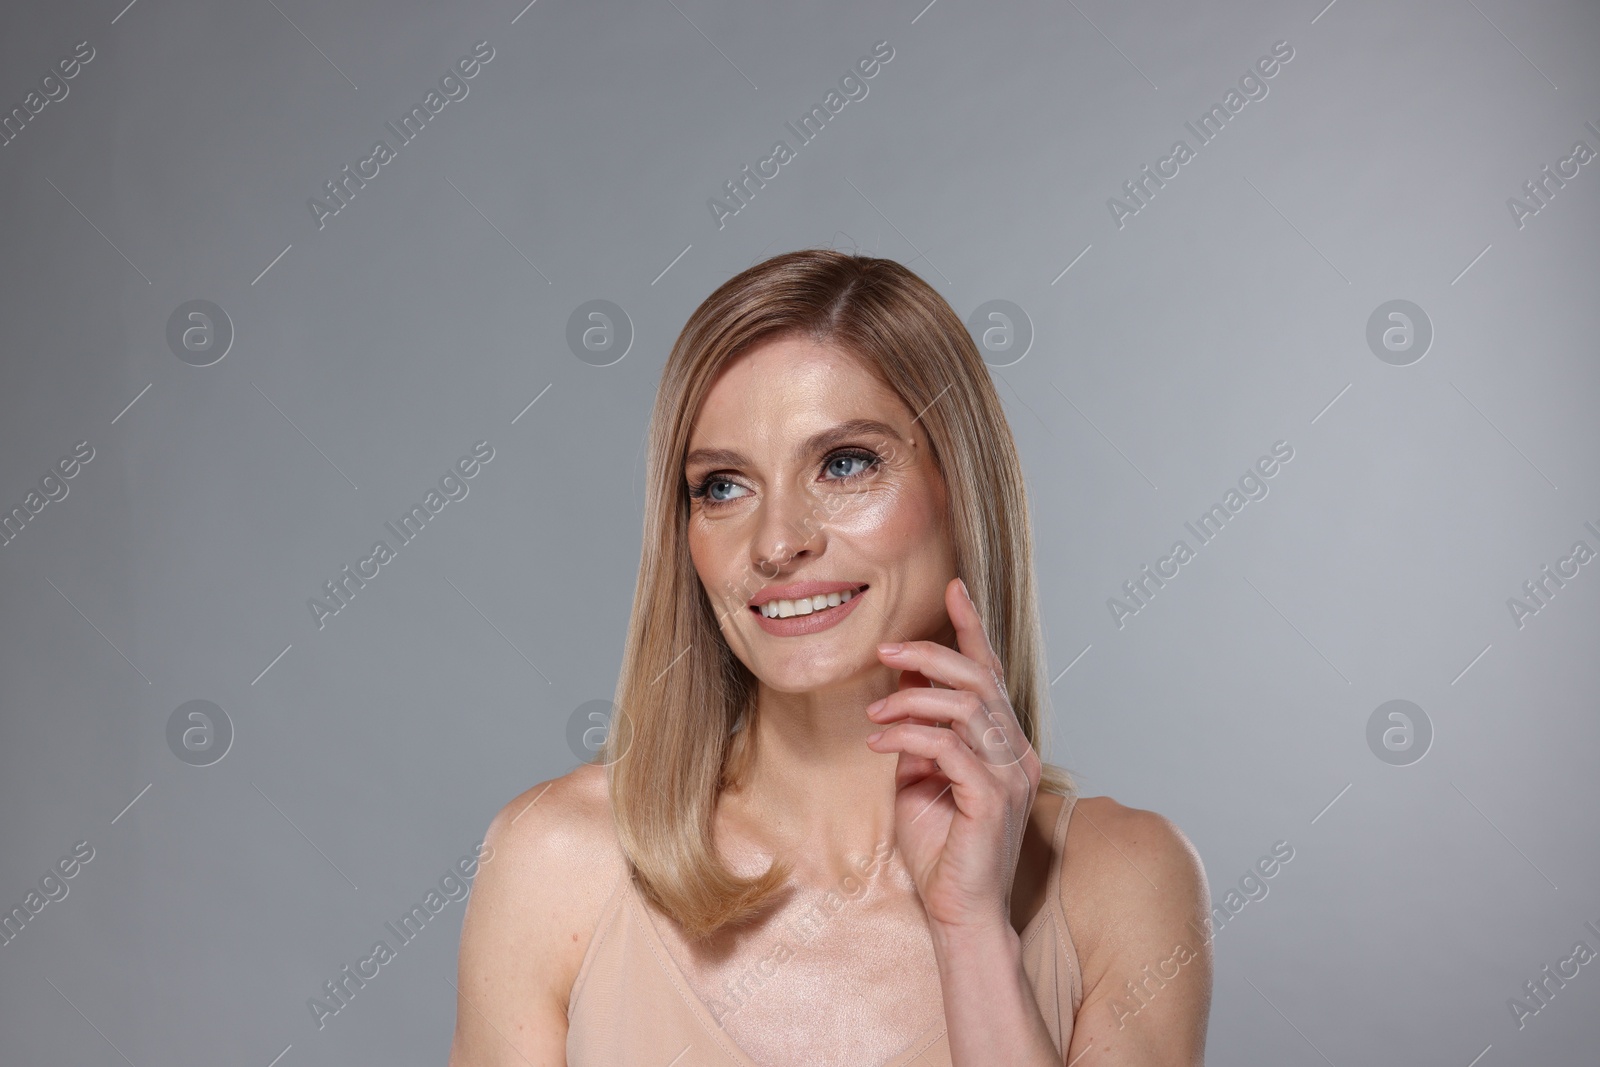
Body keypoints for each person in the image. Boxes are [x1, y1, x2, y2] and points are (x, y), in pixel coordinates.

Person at [448, 249, 1212, 1066]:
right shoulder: (555, 861)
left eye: (845, 463)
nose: (777, 542)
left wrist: (972, 933)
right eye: (722, 485)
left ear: (960, 483)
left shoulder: (1125, 881)